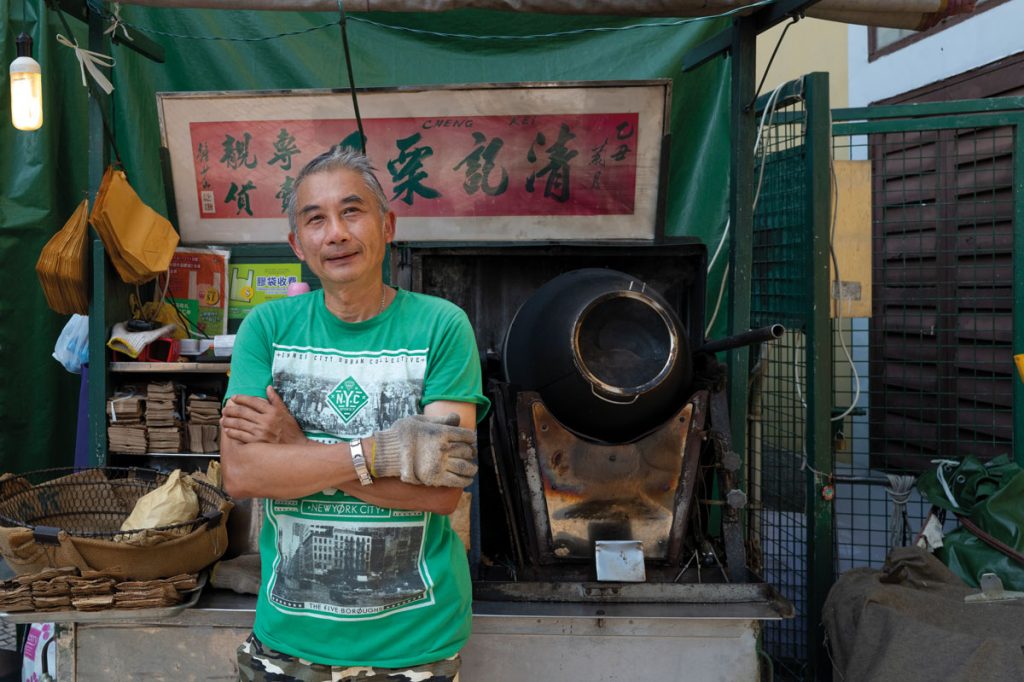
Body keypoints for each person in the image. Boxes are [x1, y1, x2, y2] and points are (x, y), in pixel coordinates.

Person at [219, 146, 490, 682]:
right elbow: (243, 474)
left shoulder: (441, 327)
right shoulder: (267, 330)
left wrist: (297, 452)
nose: (336, 233)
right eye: (315, 219)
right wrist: (382, 453)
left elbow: (440, 493)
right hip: (290, 639)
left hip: (415, 642)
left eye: (352, 211)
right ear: (298, 243)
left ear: (387, 225)